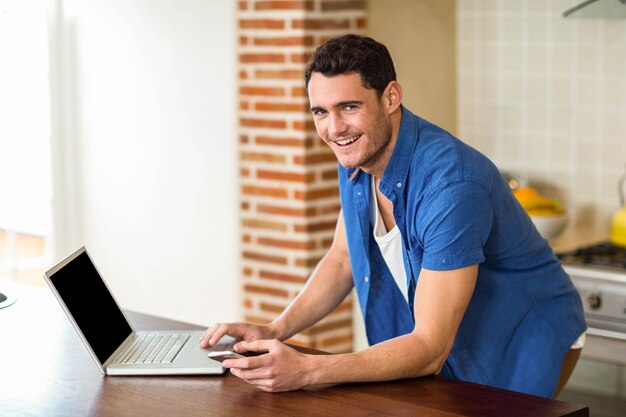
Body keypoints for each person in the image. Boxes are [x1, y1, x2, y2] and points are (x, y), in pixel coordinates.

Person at [200, 34, 586, 398]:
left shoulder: (451, 186)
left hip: (521, 336)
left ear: (391, 97)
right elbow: (342, 258)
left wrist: (308, 370)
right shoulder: (356, 153)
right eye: (321, 111)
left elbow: (430, 347)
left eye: (349, 107)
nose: (334, 129)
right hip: (446, 343)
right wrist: (274, 329)